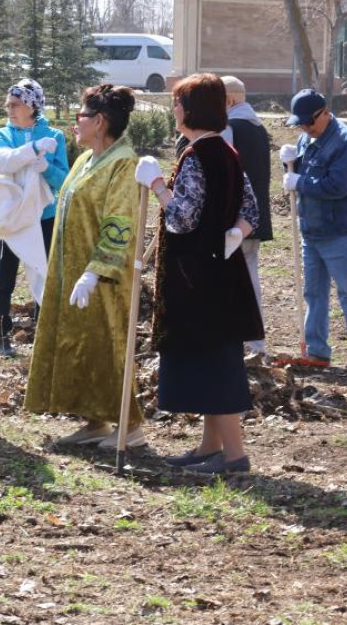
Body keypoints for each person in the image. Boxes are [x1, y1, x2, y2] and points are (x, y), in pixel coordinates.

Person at [135, 73, 263, 475]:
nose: (173, 109)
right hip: (221, 274)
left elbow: (182, 218)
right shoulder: (227, 152)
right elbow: (252, 211)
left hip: (198, 280)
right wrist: (233, 234)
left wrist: (157, 184)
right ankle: (210, 447)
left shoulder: (196, 156)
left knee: (215, 364)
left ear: (192, 109)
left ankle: (235, 457)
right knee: (216, 358)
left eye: (178, 102)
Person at [23, 84, 145, 450]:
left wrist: (96, 271)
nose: (74, 124)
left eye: (80, 117)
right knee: (82, 344)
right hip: (71, 271)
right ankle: (94, 420)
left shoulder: (124, 164)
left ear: (100, 121)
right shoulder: (85, 159)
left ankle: (130, 426)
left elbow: (119, 222)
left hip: (103, 278)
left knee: (107, 344)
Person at [280, 89, 347, 373]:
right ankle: (317, 350)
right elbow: (300, 175)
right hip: (311, 230)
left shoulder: (345, 141)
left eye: (309, 122)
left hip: (339, 232)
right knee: (314, 293)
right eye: (301, 124)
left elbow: (337, 186)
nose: (305, 128)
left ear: (324, 113)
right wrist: (289, 164)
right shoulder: (307, 138)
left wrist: (299, 182)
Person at [0, 79, 69, 356]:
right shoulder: (3, 135)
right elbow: (3, 162)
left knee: (45, 273)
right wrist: (32, 151)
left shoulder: (54, 136)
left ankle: (44, 332)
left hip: (44, 216)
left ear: (32, 105)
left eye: (16, 104)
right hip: (10, 216)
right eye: (8, 104)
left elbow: (64, 180)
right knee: (4, 275)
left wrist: (46, 168)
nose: (9, 109)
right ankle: (1, 333)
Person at [221, 76, 272, 356]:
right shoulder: (258, 127)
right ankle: (255, 343)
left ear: (229, 100)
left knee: (234, 282)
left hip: (235, 220)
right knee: (251, 279)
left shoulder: (230, 128)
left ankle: (241, 343)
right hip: (256, 218)